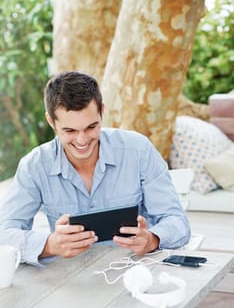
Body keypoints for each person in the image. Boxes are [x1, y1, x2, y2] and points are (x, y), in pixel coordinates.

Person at [0, 71, 190, 266]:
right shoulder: (35, 166)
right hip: (68, 280)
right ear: (51, 121)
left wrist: (153, 239)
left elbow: (177, 222)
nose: (82, 140)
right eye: (70, 131)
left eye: (91, 127)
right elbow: (4, 234)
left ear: (102, 111)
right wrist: (50, 245)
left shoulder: (138, 150)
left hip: (135, 272)